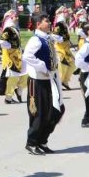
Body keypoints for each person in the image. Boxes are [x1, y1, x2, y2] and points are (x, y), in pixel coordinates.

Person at [21, 12, 62, 155]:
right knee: (38, 113)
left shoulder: (47, 38)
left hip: (49, 79)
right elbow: (27, 56)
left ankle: (42, 141)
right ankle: (32, 142)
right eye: (46, 21)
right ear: (38, 24)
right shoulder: (36, 39)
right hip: (37, 81)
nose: (49, 23)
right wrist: (42, 67)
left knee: (55, 111)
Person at [0, 9, 27, 104]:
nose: (17, 18)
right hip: (11, 57)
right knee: (13, 77)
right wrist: (11, 47)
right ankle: (8, 97)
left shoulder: (14, 28)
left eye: (17, 16)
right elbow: (2, 42)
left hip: (18, 55)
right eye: (15, 17)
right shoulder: (9, 29)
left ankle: (18, 90)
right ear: (10, 18)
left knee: (26, 74)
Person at [53, 8, 76, 90]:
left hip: (66, 47)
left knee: (73, 64)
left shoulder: (63, 22)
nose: (69, 14)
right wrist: (62, 39)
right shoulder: (60, 23)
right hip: (60, 48)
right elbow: (54, 35)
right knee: (63, 66)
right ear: (64, 13)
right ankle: (58, 82)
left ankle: (65, 81)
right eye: (68, 13)